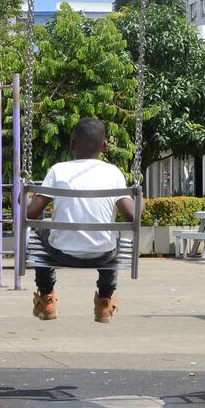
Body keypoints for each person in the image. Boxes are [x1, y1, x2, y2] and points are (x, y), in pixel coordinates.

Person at [27, 117, 136, 324]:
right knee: (114, 236)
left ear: (71, 144)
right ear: (104, 146)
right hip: (102, 254)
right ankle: (104, 301)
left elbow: (31, 213)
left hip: (62, 253)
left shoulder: (58, 170)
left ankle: (47, 297)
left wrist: (25, 198)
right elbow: (132, 215)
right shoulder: (113, 172)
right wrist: (141, 201)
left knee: (37, 233)